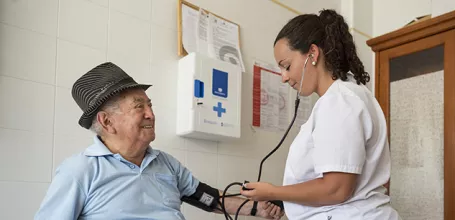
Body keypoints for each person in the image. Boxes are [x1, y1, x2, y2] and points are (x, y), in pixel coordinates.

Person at [35, 62, 284, 220]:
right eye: (138, 107)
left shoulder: (166, 164)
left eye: (150, 105)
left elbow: (206, 197)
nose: (151, 114)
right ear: (107, 122)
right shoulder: (79, 171)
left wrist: (256, 209)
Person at [240, 9, 400, 220]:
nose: (284, 78)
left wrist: (272, 192)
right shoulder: (347, 95)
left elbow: (336, 189)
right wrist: (283, 198)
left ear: (313, 54)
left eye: (286, 67)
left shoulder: (339, 101)